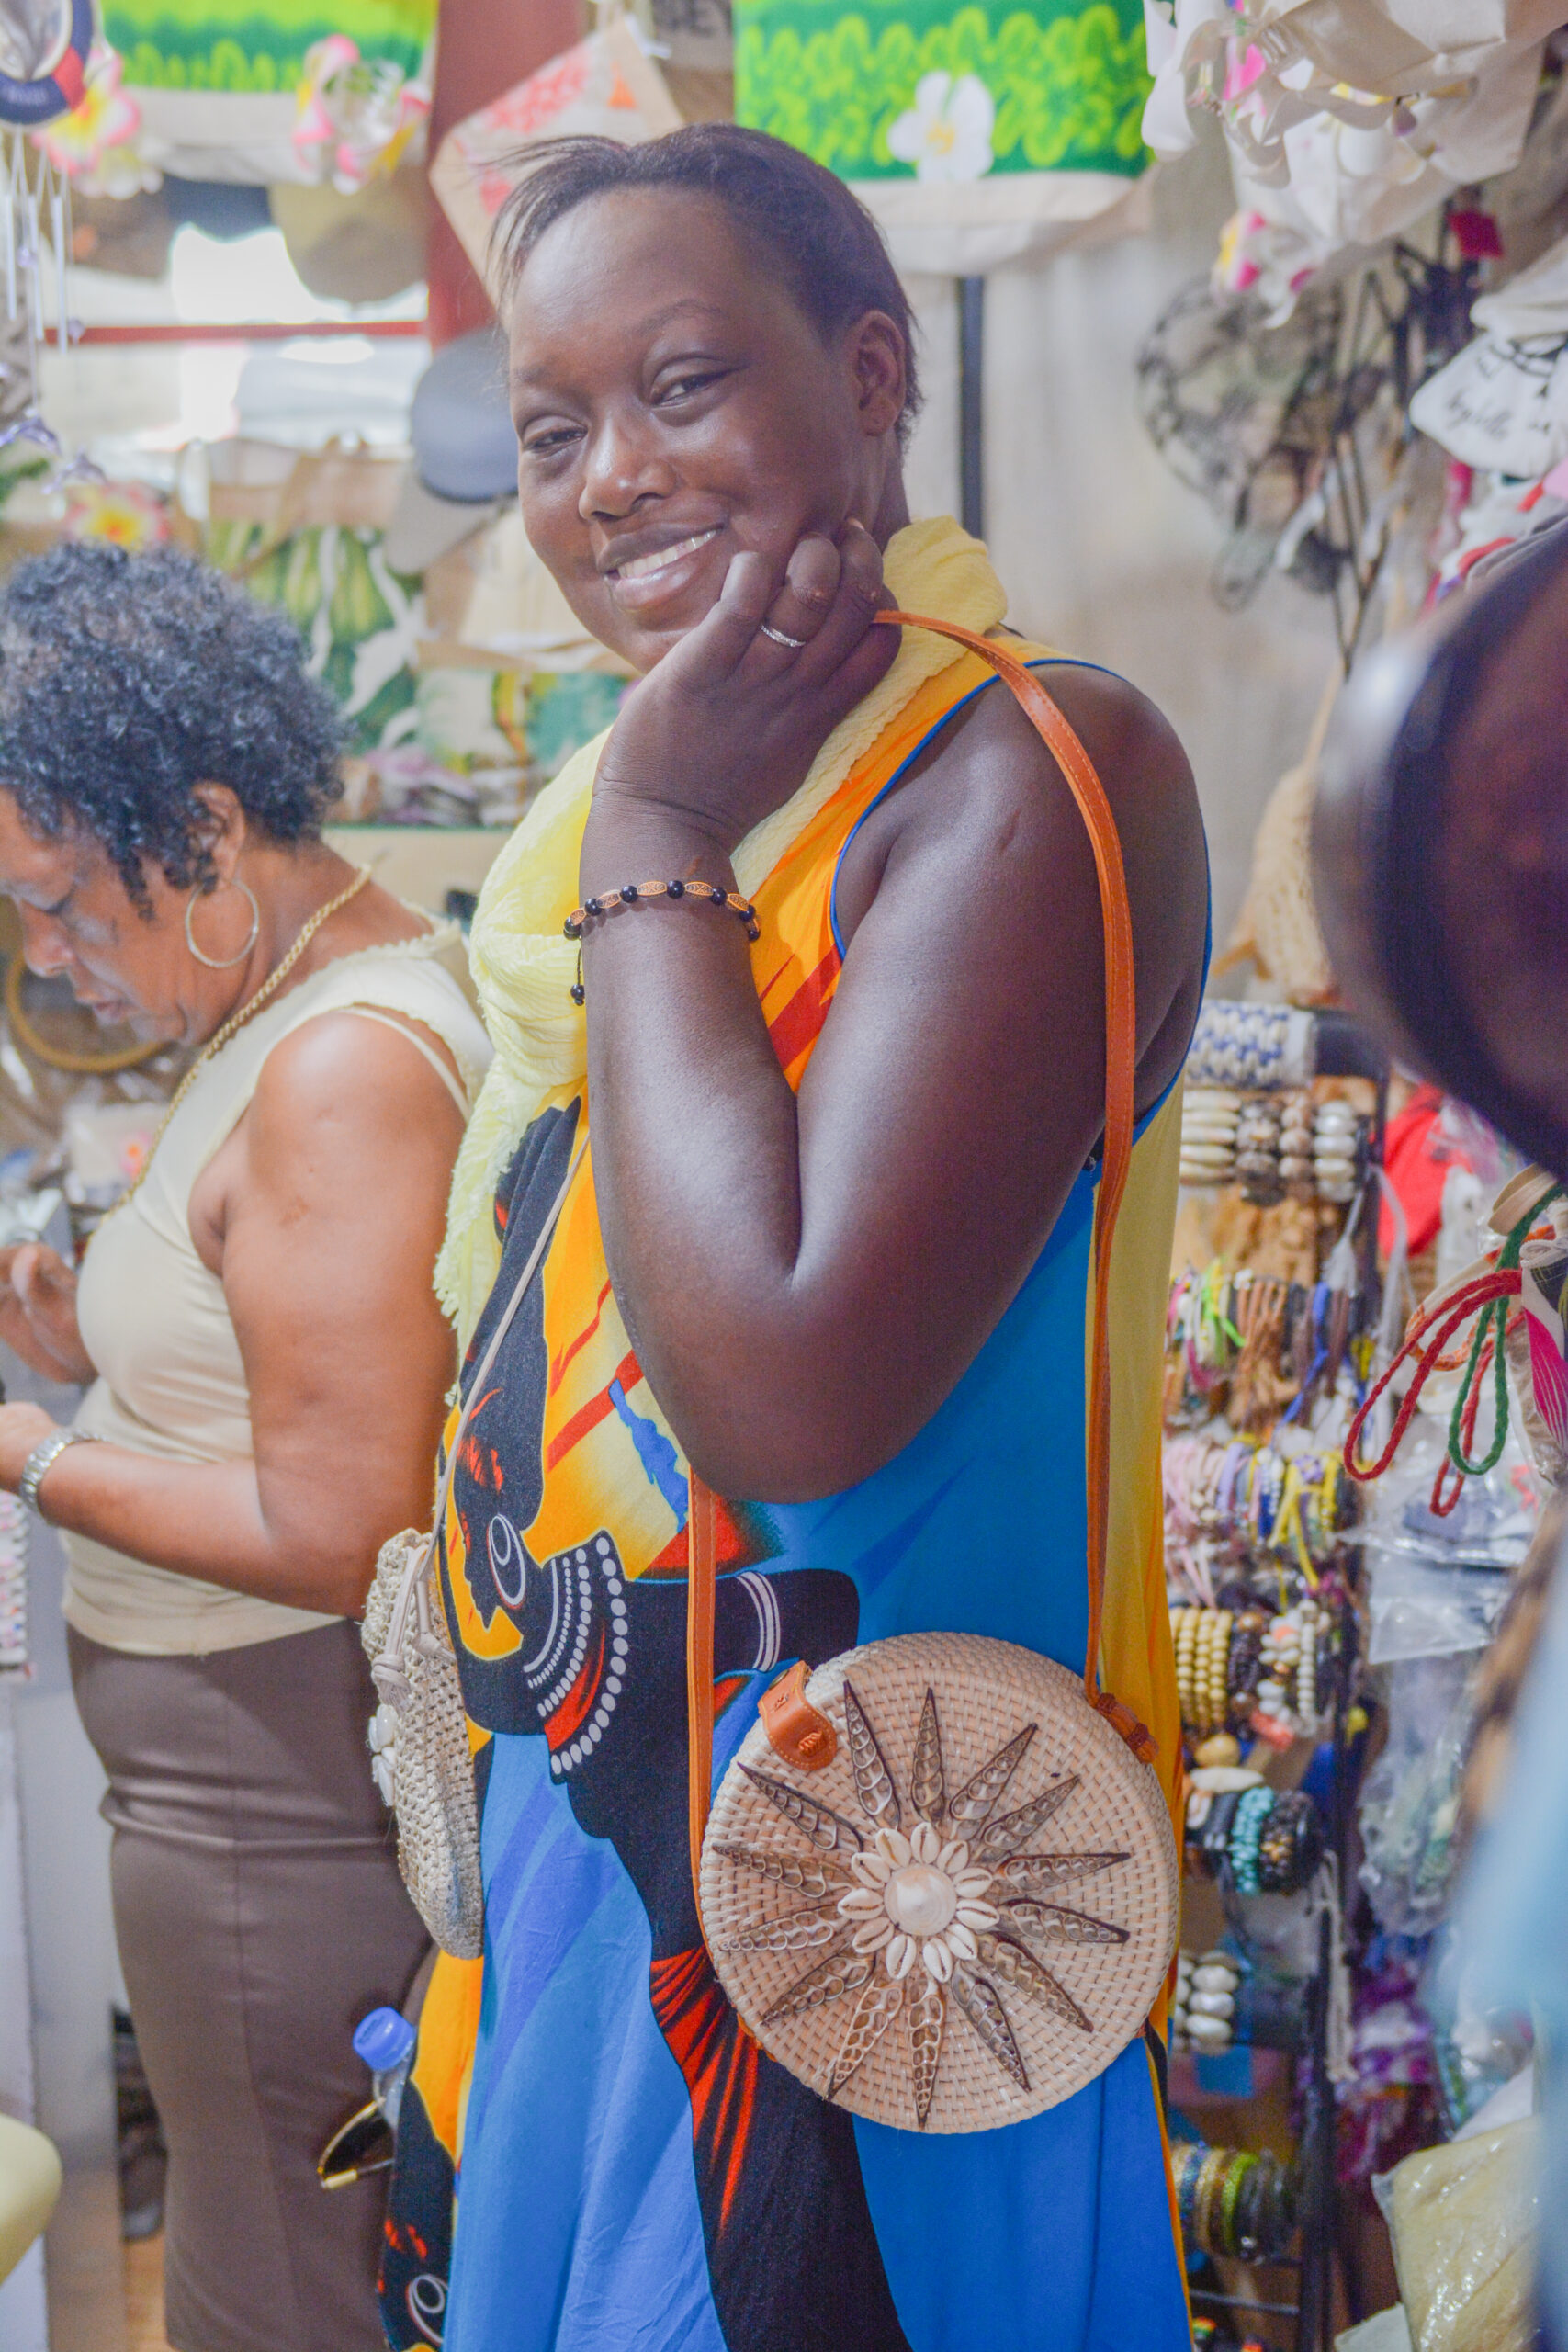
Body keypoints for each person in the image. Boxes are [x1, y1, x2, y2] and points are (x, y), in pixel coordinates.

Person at [393, 125, 1209, 2352]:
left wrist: (660, 827)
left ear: (865, 377)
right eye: (550, 432)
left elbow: (779, 1381)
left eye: (677, 386)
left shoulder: (1027, 769)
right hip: (610, 1859)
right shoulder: (627, 822)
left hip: (870, 1911)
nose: (610, 481)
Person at [0, 544, 491, 2352]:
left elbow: (341, 1517)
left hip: (270, 1813)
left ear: (204, 826)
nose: (44, 955)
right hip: (243, 1795)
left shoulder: (335, 1067)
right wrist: (94, 1342)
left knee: (278, 2290)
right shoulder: (285, 1008)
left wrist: (30, 1454)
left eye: (59, 899)